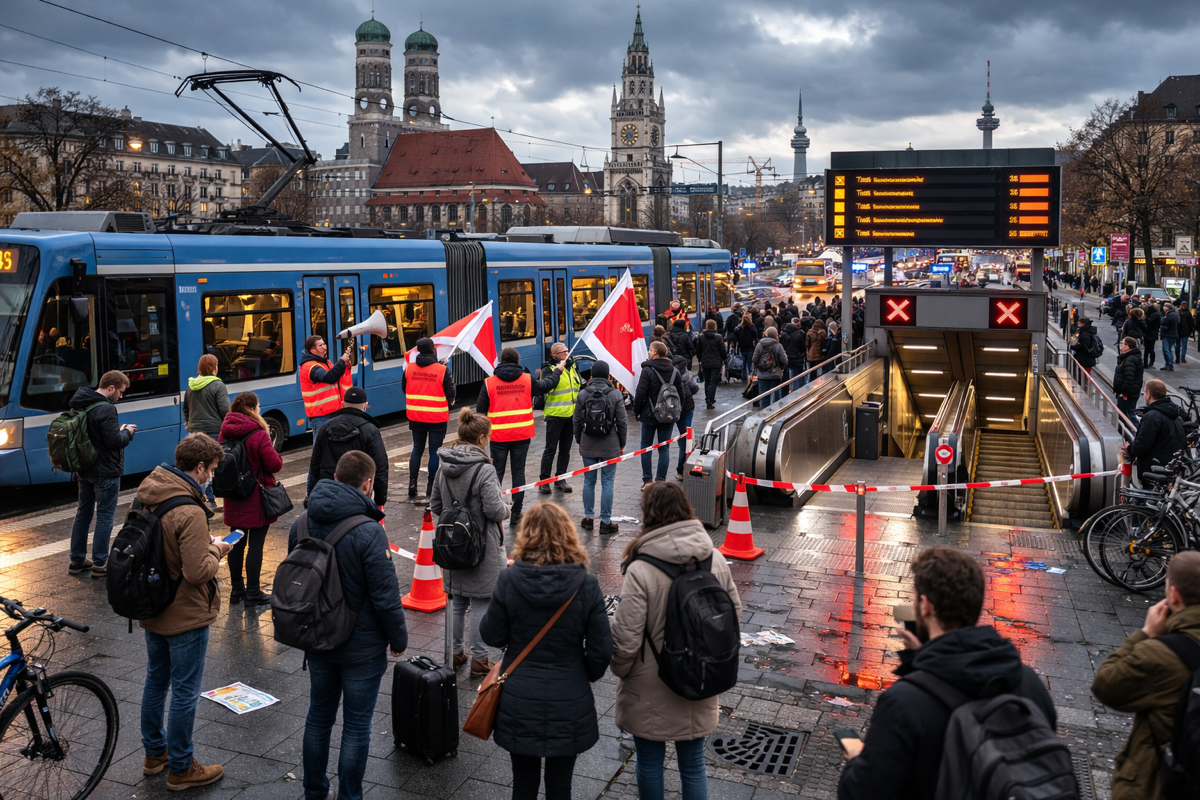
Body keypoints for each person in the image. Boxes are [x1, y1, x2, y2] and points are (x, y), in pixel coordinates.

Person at [837, 546, 1057, 800]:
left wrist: (855, 761)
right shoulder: (1028, 682)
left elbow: (861, 793)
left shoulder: (903, 703)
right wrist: (925, 656)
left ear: (925, 605)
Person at [609, 483, 741, 800]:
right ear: (685, 508)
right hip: (699, 674)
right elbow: (733, 615)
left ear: (648, 514)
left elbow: (626, 638)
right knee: (693, 765)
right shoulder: (714, 558)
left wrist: (622, 670)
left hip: (649, 684)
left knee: (650, 763)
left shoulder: (640, 568)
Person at [292, 451, 409, 800]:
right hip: (362, 645)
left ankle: (314, 790)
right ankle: (350, 796)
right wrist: (398, 639)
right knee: (356, 725)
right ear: (368, 484)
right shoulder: (369, 530)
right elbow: (385, 596)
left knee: (318, 716)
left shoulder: (303, 522)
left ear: (336, 476)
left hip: (317, 637)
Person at [479, 502, 612, 800]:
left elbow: (491, 634)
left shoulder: (510, 580)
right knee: (560, 787)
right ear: (568, 535)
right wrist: (583, 674)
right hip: (570, 697)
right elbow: (602, 650)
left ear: (526, 535)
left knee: (523, 786)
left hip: (518, 698)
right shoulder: (587, 586)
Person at [138, 434, 232, 791]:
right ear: (199, 468)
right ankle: (181, 767)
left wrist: (199, 547)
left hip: (152, 603)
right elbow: (197, 572)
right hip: (185, 613)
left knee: (155, 681)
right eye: (211, 470)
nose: (211, 477)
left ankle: (154, 754)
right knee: (184, 691)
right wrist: (218, 550)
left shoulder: (149, 492)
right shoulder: (189, 509)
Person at [1092, 551, 1200, 800]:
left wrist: (1147, 633)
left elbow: (1106, 684)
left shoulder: (1161, 655)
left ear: (1173, 595)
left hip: (1159, 785)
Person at [430, 407, 511, 674]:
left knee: (457, 601)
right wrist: (507, 507)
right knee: (481, 602)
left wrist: (454, 528)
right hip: (482, 547)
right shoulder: (484, 469)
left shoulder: (444, 465)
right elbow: (494, 511)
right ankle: (479, 659)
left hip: (452, 545)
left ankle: (454, 655)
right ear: (480, 439)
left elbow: (436, 506)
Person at [478, 348, 560, 524]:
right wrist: (558, 371)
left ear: (501, 361)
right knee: (518, 472)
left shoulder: (489, 383)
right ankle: (516, 512)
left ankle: (495, 509)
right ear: (517, 360)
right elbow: (545, 386)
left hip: (499, 436)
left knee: (496, 473)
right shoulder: (527, 379)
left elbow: (480, 411)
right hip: (522, 435)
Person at [216, 391, 282, 605]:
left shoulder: (224, 432)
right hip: (256, 496)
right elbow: (274, 465)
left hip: (233, 495)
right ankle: (253, 592)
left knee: (235, 543)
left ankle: (236, 590)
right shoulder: (259, 433)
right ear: (253, 409)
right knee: (256, 545)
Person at [68, 369, 135, 577]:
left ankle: (77, 560)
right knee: (105, 516)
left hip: (84, 466)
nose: (120, 397)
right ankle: (100, 563)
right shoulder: (106, 409)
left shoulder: (81, 401)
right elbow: (113, 442)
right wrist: (127, 432)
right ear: (111, 387)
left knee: (83, 514)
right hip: (105, 470)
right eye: (120, 392)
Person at [307, 386, 389, 513]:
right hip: (358, 497)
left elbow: (314, 466)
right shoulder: (370, 431)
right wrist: (379, 501)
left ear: (343, 403)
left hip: (327, 493)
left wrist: (311, 495)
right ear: (365, 406)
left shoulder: (325, 428)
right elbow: (381, 468)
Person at [573, 361, 627, 533]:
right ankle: (605, 521)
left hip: (588, 443)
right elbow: (622, 422)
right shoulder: (615, 394)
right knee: (608, 482)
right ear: (608, 376)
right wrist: (621, 443)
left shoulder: (583, 394)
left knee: (589, 481)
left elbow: (576, 420)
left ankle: (588, 518)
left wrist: (579, 440)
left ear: (591, 376)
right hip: (610, 445)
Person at [402, 337, 455, 500]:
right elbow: (451, 393)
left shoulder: (409, 369)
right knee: (434, 452)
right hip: (437, 417)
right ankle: (431, 487)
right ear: (433, 350)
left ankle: (412, 483)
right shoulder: (442, 370)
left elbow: (405, 388)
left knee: (417, 448)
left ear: (418, 351)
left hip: (416, 416)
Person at [633, 341, 687, 489]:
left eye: (650, 350)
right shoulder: (675, 371)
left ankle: (647, 481)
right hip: (668, 415)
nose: (649, 352)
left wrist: (637, 411)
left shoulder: (647, 370)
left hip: (649, 415)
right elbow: (681, 394)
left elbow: (640, 393)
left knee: (646, 447)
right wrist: (676, 410)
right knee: (664, 448)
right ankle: (661, 481)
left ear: (656, 353)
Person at [182, 354, 230, 509]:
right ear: (214, 367)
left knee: (200, 467)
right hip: (214, 431)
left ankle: (209, 499)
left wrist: (188, 423)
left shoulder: (191, 385)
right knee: (211, 467)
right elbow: (225, 409)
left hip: (195, 432)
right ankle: (199, 500)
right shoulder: (218, 385)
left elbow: (185, 408)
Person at [537, 342, 582, 496]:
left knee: (565, 450)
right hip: (554, 416)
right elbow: (546, 387)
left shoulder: (573, 367)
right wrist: (558, 371)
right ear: (555, 355)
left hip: (571, 415)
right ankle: (544, 481)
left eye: (567, 351)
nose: (568, 354)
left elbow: (578, 386)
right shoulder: (548, 369)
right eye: (564, 352)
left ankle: (560, 478)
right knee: (550, 449)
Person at [1124, 379, 1187, 482]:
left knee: (1149, 494)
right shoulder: (1174, 413)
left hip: (1154, 467)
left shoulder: (1152, 417)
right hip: (1172, 463)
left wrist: (1129, 449)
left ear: (1149, 394)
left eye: (1145, 392)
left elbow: (1141, 445)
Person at [300, 334, 352, 435]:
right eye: (320, 346)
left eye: (324, 344)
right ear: (312, 350)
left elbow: (334, 376)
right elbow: (329, 378)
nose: (324, 347)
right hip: (321, 415)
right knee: (321, 446)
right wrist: (341, 361)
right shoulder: (310, 366)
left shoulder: (324, 362)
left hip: (331, 412)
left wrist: (342, 366)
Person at [671, 351, 699, 480]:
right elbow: (695, 389)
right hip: (687, 408)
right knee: (686, 438)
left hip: (673, 409)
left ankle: (681, 469)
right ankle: (682, 468)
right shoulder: (687, 375)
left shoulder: (671, 376)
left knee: (684, 439)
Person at [751, 326, 788, 408]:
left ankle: (764, 415)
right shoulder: (778, 345)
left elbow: (754, 359)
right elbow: (784, 360)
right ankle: (775, 414)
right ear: (775, 335)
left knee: (764, 396)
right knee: (775, 396)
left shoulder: (759, 345)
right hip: (775, 374)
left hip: (762, 374)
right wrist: (781, 368)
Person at [694, 319, 727, 410]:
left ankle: (708, 398)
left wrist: (700, 360)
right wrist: (724, 358)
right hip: (716, 362)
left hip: (705, 362)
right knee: (713, 382)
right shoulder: (719, 337)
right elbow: (722, 349)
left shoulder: (701, 337)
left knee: (707, 381)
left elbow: (698, 350)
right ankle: (710, 399)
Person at [1112, 338, 1144, 425]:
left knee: (1128, 415)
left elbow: (1129, 377)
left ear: (1127, 346)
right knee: (1126, 414)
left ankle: (1136, 432)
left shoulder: (1130, 359)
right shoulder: (1128, 358)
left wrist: (1124, 392)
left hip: (1128, 394)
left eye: (1122, 343)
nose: (1120, 345)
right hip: (1129, 392)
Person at [732, 314, 759, 389]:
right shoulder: (752, 327)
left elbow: (735, 335)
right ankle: (751, 376)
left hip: (742, 347)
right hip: (750, 347)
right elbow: (755, 336)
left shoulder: (739, 328)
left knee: (743, 363)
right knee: (750, 363)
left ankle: (744, 377)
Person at [782, 317, 806, 389]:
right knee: (798, 374)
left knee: (788, 373)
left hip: (787, 357)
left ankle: (788, 389)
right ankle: (798, 390)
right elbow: (803, 346)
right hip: (798, 357)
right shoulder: (800, 333)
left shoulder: (784, 334)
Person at [1161, 302, 1180, 371]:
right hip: (1173, 334)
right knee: (1169, 350)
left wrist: (1163, 332)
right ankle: (1169, 364)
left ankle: (1169, 364)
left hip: (1167, 334)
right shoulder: (1176, 314)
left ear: (1167, 308)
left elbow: (1165, 324)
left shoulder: (1169, 315)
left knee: (1166, 350)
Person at [1145, 302, 1162, 368]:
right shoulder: (1157, 315)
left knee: (1148, 349)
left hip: (1149, 334)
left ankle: (1147, 363)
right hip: (1153, 334)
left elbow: (1149, 323)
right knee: (1150, 349)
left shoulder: (1152, 316)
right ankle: (1150, 362)